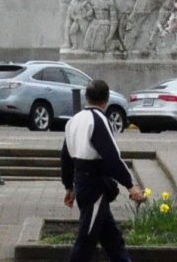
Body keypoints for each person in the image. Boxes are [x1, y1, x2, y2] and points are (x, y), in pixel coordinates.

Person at [62, 77, 143, 262]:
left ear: (86, 97)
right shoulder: (99, 120)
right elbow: (112, 157)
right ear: (106, 100)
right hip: (94, 187)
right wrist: (130, 185)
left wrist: (68, 187)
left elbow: (65, 157)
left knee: (112, 240)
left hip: (81, 182)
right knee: (86, 241)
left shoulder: (73, 121)